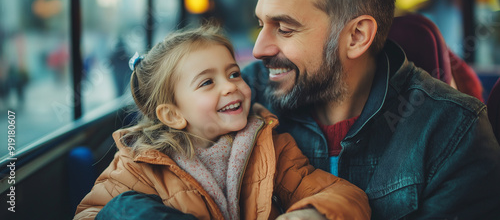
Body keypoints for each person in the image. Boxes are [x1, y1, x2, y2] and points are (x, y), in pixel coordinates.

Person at [91, 0, 500, 219]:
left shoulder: (452, 130)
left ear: (356, 36)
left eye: (284, 28)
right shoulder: (240, 99)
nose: (261, 47)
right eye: (260, 25)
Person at [74, 24, 371, 220]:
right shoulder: (137, 166)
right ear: (173, 115)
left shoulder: (271, 147)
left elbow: (347, 196)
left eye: (233, 74)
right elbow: (90, 214)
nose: (230, 87)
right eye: (207, 83)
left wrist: (312, 213)